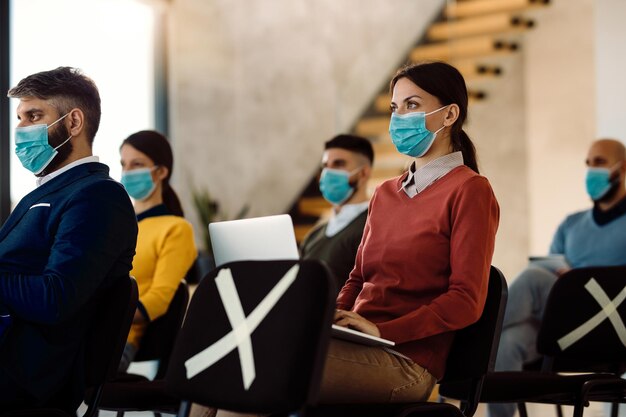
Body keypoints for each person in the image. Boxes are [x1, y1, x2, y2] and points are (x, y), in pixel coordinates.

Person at [192, 61, 499, 417]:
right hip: (358, 343)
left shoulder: (470, 190)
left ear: (450, 115)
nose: (400, 117)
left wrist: (381, 329)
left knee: (256, 364)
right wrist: (333, 313)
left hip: (407, 362)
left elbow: (465, 300)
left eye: (412, 105)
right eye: (395, 108)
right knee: (224, 354)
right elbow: (357, 277)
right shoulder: (385, 193)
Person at [0, 67, 137, 411]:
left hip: (26, 375)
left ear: (74, 123)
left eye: (34, 115)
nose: (21, 130)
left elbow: (55, 298)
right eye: (19, 118)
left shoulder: (98, 196)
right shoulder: (42, 195)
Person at [489, 138, 626, 417]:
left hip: (613, 328)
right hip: (564, 328)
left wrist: (578, 279)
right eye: (587, 164)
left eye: (599, 162)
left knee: (532, 279)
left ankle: (474, 334)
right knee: (507, 343)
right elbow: (552, 273)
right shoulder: (571, 225)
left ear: (621, 169)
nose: (590, 171)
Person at [118, 130, 197, 371]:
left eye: (137, 164)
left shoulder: (176, 228)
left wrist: (100, 317)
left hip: (116, 342)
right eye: (124, 164)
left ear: (161, 172)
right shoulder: (117, 227)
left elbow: (158, 300)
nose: (128, 172)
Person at [299, 134, 373, 291]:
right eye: (325, 165)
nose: (328, 172)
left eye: (339, 164)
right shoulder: (315, 234)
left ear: (364, 173)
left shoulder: (373, 226)